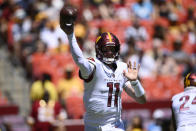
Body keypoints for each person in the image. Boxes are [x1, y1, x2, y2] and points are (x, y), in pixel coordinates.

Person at [60, 13, 146, 131]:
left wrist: (135, 82)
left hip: (114, 125)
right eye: (106, 49)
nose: (110, 52)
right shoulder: (94, 65)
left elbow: (141, 100)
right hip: (92, 126)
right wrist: (70, 36)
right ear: (99, 49)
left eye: (112, 49)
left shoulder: (123, 68)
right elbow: (80, 60)